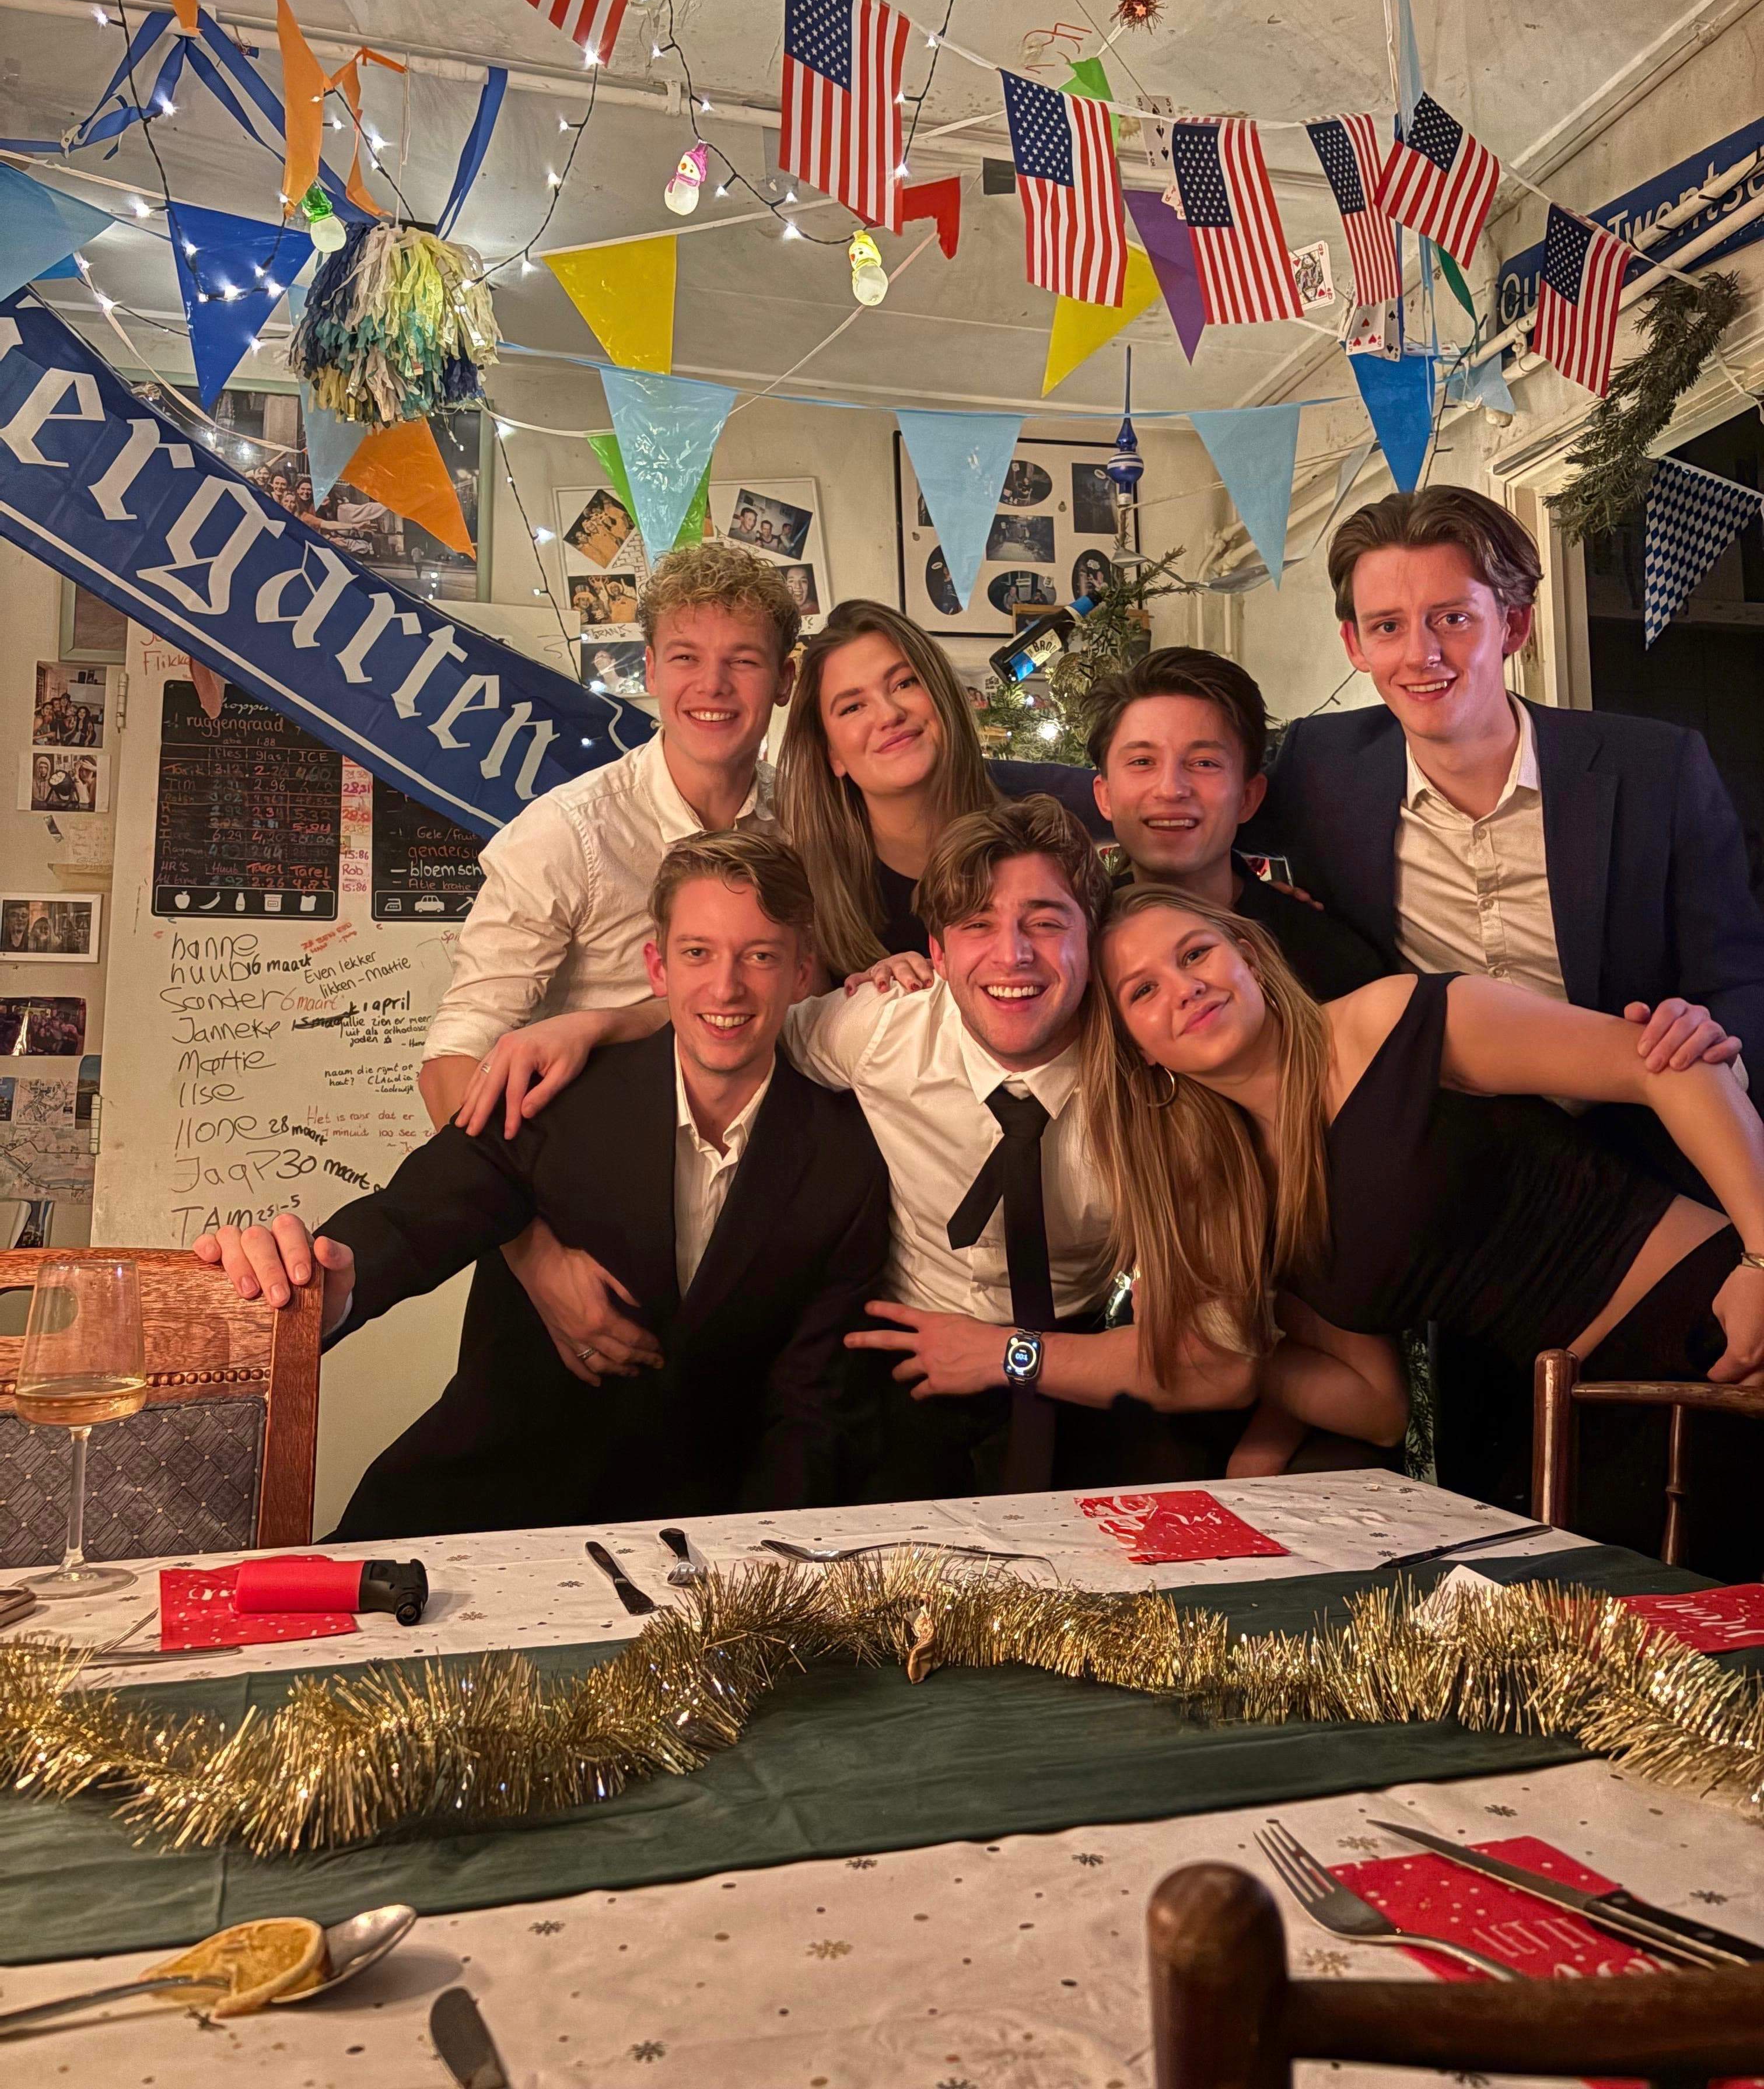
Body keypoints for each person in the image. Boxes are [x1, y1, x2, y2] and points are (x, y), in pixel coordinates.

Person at [461, 799, 1379, 1500]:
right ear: (936, 953)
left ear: (1091, 939)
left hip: (1083, 1361)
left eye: (1045, 922)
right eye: (977, 927)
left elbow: (1220, 1361)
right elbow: (737, 1013)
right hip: (896, 1355)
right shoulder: (880, 1031)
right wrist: (596, 1023)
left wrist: (1010, 1354)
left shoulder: (1161, 1086)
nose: (1012, 956)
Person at [196, 835, 887, 1534]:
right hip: (482, 1512)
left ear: (803, 973)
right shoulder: (551, 1100)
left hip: (704, 1537)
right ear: (658, 967)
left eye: (760, 956)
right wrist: (329, 1284)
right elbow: (412, 1219)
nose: (726, 987)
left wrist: (758, 1566)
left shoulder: (846, 1157)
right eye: (698, 953)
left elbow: (813, 1408)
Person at [1088, 886, 1764, 1560]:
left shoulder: (1391, 1022)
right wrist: (1240, 1357)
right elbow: (1377, 1406)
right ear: (1136, 1047)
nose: (1185, 988)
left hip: (1711, 1324)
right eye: (1143, 991)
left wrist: (1762, 1260)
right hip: (1577, 1421)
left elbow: (1671, 1065)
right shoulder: (1248, 1196)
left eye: (1195, 954)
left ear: (1250, 958)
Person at [424, 541, 801, 1383]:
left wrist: (608, 1022)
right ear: (650, 670)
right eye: (686, 658)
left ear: (783, 680)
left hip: (752, 1244)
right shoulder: (566, 834)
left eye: (743, 661)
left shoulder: (809, 825)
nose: (713, 687)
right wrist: (536, 1261)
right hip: (573, 1238)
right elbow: (452, 1063)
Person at [1256, 485, 1764, 1087]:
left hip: (1633, 1107)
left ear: (1514, 624)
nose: (1421, 655)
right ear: (1355, 645)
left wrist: (1713, 1036)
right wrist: (1258, 905)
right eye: (1388, 626)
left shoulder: (1658, 769)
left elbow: (1740, 978)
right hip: (1439, 1123)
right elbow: (1198, 834)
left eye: (1453, 619)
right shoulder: (1321, 763)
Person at [774, 600, 1107, 977]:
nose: (889, 715)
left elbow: (1145, 800)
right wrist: (866, 998)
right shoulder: (808, 882)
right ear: (832, 753)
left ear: (941, 692)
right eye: (853, 707)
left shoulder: (1036, 799)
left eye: (905, 683)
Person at [1087, 648, 1388, 1002]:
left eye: (1204, 763)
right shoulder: (1073, 942)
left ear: (1248, 797)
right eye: (1142, 761)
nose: (1171, 789)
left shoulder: (1330, 962)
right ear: (1105, 796)